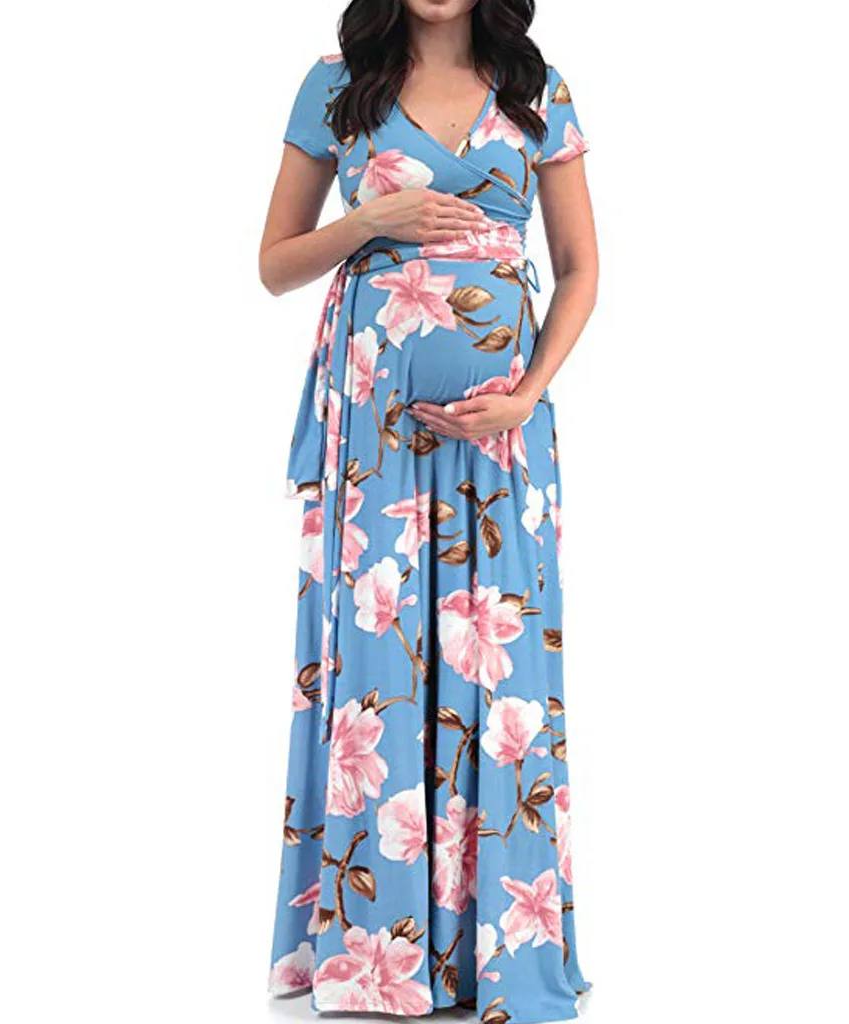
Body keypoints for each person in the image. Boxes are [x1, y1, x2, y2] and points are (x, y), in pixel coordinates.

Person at [259, 1, 598, 1020]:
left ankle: (496, 952)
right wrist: (370, 221)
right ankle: (380, 954)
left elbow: (580, 268)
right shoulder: (335, 85)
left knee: (501, 666)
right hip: (373, 431)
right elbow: (274, 263)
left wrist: (529, 391)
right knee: (379, 666)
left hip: (502, 437)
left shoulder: (536, 89)